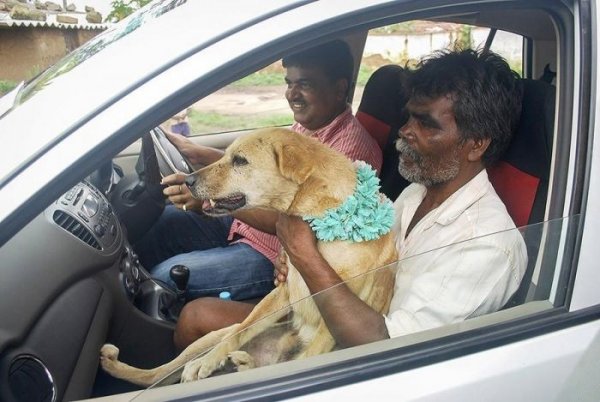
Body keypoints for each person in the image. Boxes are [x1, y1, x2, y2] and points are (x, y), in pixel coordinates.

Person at [174, 48, 528, 350]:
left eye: (427, 124)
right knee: (197, 317)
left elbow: (385, 347)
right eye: (408, 118)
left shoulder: (485, 245)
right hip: (328, 316)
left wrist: (305, 256)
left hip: (354, 354)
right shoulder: (418, 193)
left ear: (476, 144)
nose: (405, 131)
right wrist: (296, 263)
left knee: (198, 319)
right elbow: (358, 253)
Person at [133, 40, 382, 341]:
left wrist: (212, 201)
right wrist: (200, 155)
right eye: (289, 83)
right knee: (165, 224)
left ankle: (154, 348)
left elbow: (300, 226)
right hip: (247, 228)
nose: (293, 94)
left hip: (274, 255)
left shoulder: (349, 154)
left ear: (340, 89)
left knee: (163, 275)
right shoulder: (307, 128)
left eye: (305, 84)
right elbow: (261, 174)